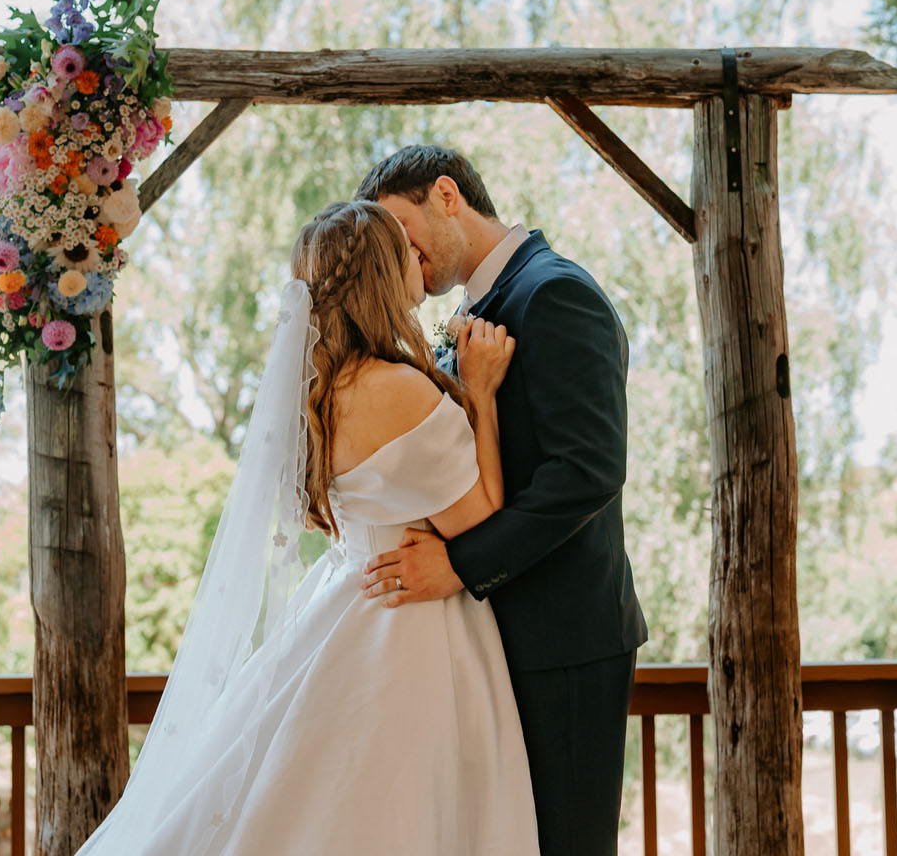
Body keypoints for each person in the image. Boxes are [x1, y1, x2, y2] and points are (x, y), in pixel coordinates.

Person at [73, 199, 540, 856]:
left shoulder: (314, 387)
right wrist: (482, 395)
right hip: (412, 623)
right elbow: (483, 518)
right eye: (404, 249)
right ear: (383, 273)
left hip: (345, 597)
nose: (418, 256)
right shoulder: (402, 389)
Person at [355, 145, 649, 856]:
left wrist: (461, 565)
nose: (396, 253)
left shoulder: (554, 293)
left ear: (447, 195)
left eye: (399, 227)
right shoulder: (477, 310)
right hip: (492, 643)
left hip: (561, 642)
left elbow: (587, 471)